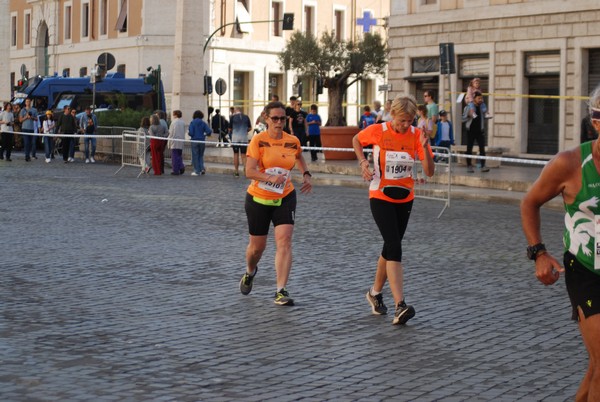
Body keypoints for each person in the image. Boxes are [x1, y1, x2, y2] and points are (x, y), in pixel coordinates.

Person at [520, 85, 600, 401]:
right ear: (597, 122)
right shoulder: (569, 163)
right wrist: (538, 253)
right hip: (586, 271)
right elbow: (529, 203)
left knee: (596, 365)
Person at [352, 94, 434, 325]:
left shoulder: (417, 135)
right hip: (380, 194)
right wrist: (362, 162)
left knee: (390, 245)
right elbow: (356, 140)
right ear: (393, 115)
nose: (405, 126)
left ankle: (374, 293)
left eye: (409, 121)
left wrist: (426, 149)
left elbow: (429, 172)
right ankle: (400, 305)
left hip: (405, 197)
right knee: (395, 246)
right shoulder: (379, 130)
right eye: (401, 121)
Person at [238, 101, 313, 306]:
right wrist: (270, 179)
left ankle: (280, 290)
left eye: (282, 118)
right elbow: (249, 171)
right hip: (258, 199)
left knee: (285, 241)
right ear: (266, 118)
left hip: (285, 197)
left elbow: (298, 157)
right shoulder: (258, 141)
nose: (279, 122)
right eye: (275, 118)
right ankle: (250, 271)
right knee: (257, 248)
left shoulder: (292, 141)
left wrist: (305, 174)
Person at [463, 91, 491, 173]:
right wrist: (468, 114)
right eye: (479, 98)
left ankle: (483, 165)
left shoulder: (482, 107)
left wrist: (487, 114)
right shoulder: (469, 107)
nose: (481, 100)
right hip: (470, 131)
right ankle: (469, 166)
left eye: (481, 98)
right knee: (469, 148)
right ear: (474, 99)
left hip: (480, 131)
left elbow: (485, 117)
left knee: (482, 148)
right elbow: (462, 118)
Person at [229, 107, 252, 177]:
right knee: (243, 155)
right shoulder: (246, 117)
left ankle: (236, 171)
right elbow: (250, 128)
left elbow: (229, 128)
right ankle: (246, 170)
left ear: (235, 111)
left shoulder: (232, 117)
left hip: (235, 138)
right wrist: (245, 131)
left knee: (236, 154)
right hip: (244, 138)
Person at [188, 110, 212, 176]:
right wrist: (204, 135)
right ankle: (202, 169)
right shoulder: (203, 123)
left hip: (194, 141)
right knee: (200, 155)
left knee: (195, 156)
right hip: (202, 140)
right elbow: (209, 131)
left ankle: (196, 171)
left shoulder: (192, 122)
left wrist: (189, 133)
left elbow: (191, 132)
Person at [167, 110, 186, 175]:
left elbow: (171, 132)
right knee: (179, 155)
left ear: (175, 115)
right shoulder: (183, 122)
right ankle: (181, 166)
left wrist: (169, 141)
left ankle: (176, 170)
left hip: (174, 140)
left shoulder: (174, 122)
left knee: (174, 156)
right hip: (181, 140)